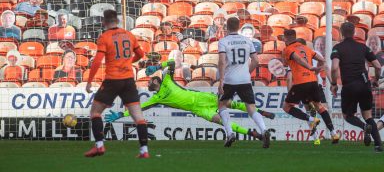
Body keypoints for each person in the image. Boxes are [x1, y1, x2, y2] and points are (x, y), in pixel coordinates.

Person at [104, 60, 275, 141]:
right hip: (198, 110)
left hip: (201, 97)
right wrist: (120, 114)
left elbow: (172, 63)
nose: (148, 81)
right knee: (222, 121)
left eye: (150, 79)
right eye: (148, 81)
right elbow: (138, 109)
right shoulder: (156, 98)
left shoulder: (167, 80)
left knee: (232, 104)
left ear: (156, 80)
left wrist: (158, 66)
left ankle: (261, 112)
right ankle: (256, 135)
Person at [84, 10, 149, 158]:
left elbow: (97, 61)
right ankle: (144, 150)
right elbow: (140, 55)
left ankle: (99, 146)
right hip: (128, 80)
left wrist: (89, 82)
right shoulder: (129, 35)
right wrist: (128, 62)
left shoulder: (104, 37)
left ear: (104, 22)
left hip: (112, 80)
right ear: (117, 21)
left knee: (95, 112)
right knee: (138, 116)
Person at [217, 17, 270, 148]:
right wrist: (247, 71)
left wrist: (221, 80)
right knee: (251, 107)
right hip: (245, 80)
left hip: (229, 80)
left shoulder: (223, 41)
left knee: (221, 105)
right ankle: (264, 130)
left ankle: (230, 133)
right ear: (239, 26)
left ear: (227, 27)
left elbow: (222, 61)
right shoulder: (247, 41)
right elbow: (256, 61)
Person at [330, 22, 383, 152]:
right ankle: (378, 146)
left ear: (341, 33)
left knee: (348, 115)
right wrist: (375, 80)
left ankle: (364, 127)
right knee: (368, 116)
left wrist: (334, 84)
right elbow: (377, 66)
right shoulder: (363, 47)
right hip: (365, 85)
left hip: (350, 86)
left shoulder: (338, 48)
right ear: (354, 32)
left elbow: (335, 67)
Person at [282, 30, 340, 144]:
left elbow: (296, 62)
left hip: (300, 83)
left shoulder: (288, 50)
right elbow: (323, 61)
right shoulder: (307, 49)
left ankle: (315, 136)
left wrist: (309, 67)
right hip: (314, 82)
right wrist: (318, 69)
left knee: (287, 107)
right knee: (320, 106)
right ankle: (334, 133)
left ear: (286, 38)